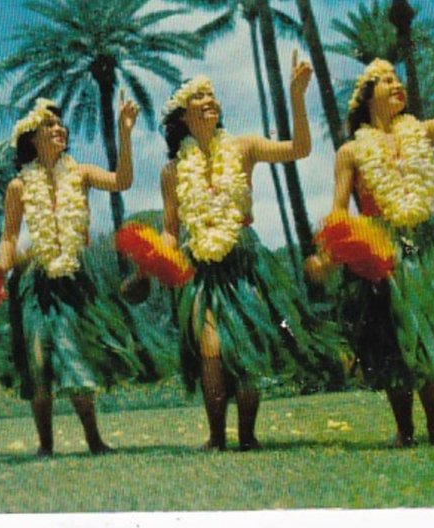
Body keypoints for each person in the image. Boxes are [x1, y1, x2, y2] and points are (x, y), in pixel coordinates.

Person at [160, 52, 336, 451]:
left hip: (243, 260)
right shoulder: (172, 171)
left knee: (246, 346)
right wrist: (154, 257)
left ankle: (249, 435)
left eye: (212, 95)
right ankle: (216, 436)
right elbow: (171, 230)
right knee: (212, 350)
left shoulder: (244, 148)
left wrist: (296, 96)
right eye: (199, 96)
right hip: (201, 268)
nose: (209, 100)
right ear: (182, 115)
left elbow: (301, 149)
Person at [0, 94, 142, 456]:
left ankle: (93, 438)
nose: (59, 129)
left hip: (75, 277)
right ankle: (45, 444)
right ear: (31, 138)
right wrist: (0, 264)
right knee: (38, 358)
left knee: (76, 357)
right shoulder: (18, 186)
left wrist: (125, 133)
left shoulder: (81, 173)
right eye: (49, 125)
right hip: (34, 280)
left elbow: (122, 180)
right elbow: (9, 236)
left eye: (61, 124)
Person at [306, 58, 434, 447]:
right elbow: (339, 211)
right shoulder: (351, 152)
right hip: (380, 254)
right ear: (366, 97)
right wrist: (327, 256)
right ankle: (404, 429)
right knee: (391, 339)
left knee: (430, 338)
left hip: (425, 247)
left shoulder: (426, 133)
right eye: (386, 80)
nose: (397, 84)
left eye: (399, 78)